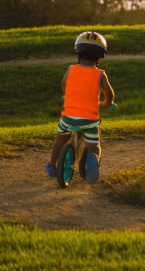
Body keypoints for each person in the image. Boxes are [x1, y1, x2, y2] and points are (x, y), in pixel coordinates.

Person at [46, 31, 115, 184]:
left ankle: (52, 165)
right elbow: (109, 95)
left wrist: (68, 95)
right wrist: (106, 104)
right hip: (89, 120)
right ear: (99, 57)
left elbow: (64, 84)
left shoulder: (71, 69)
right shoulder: (100, 74)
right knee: (94, 146)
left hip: (68, 117)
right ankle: (92, 158)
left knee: (61, 138)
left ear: (78, 53)